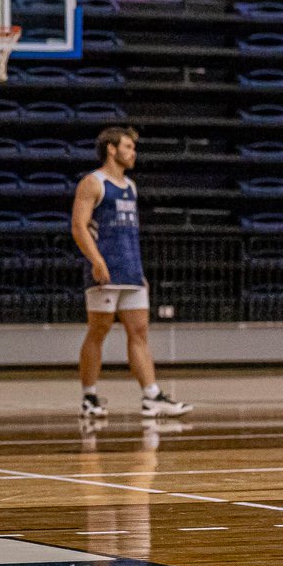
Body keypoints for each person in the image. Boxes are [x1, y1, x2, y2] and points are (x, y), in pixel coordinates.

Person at [71, 126, 192, 419]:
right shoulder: (93, 182)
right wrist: (97, 260)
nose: (133, 152)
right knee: (98, 331)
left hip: (131, 271)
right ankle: (89, 396)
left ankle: (152, 396)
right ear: (111, 149)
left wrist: (139, 271)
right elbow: (79, 226)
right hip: (105, 272)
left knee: (139, 333)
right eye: (128, 147)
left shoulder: (130, 186)